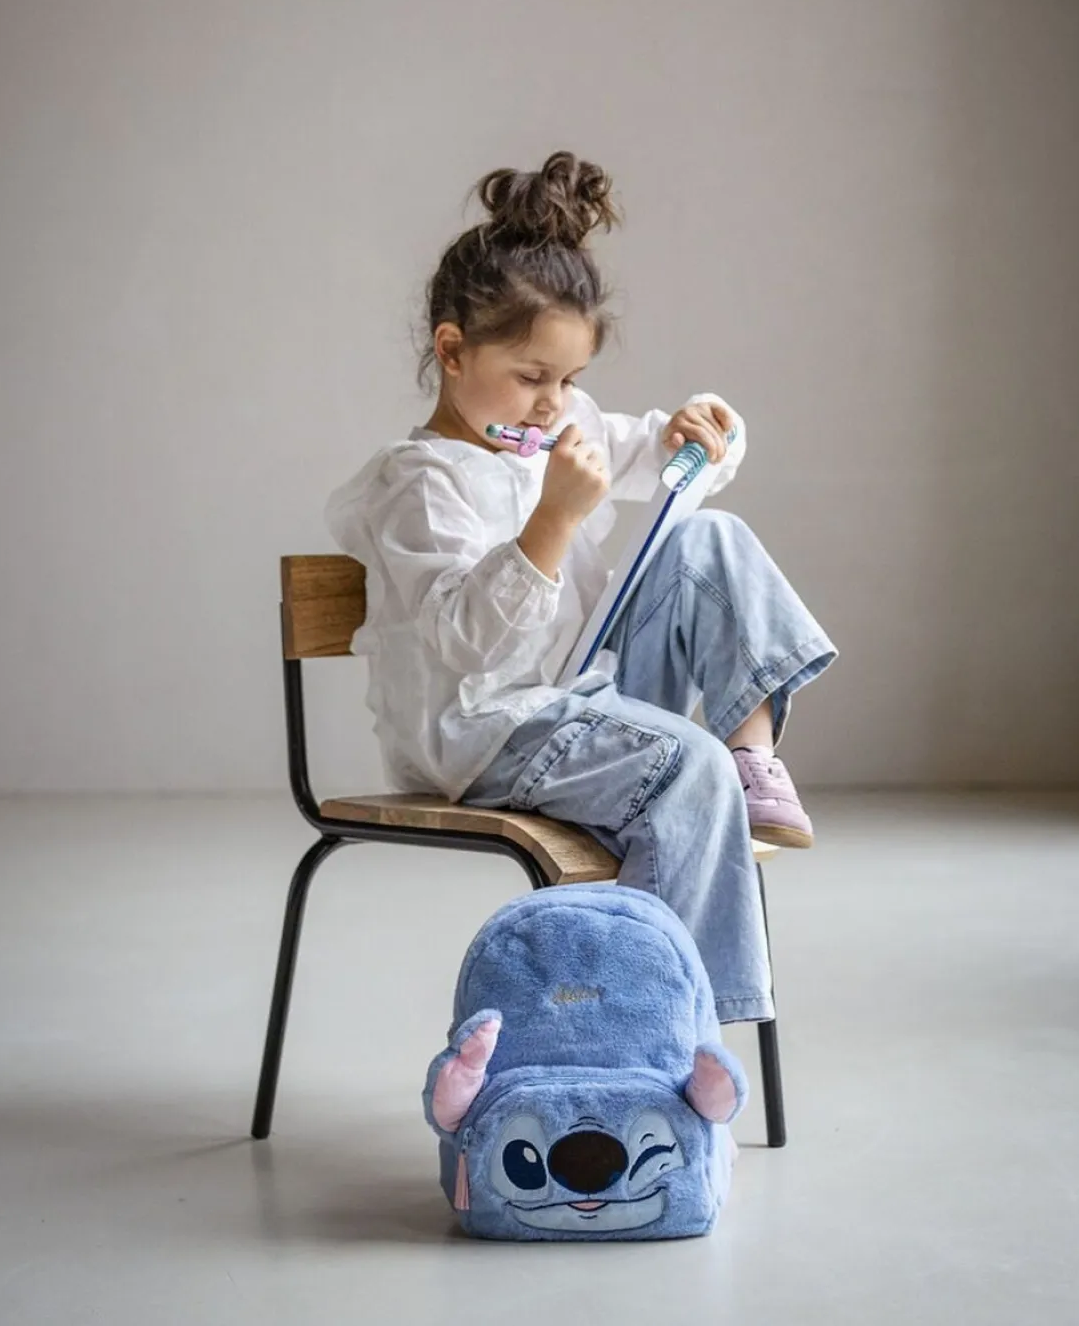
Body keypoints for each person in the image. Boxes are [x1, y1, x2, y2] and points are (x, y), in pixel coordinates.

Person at [326, 151, 837, 1024]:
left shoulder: (567, 424)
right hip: (485, 735)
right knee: (688, 768)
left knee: (707, 535)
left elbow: (676, 464)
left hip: (582, 699)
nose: (551, 404)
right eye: (531, 377)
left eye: (569, 380)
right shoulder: (419, 483)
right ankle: (670, 1032)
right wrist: (551, 522)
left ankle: (753, 758)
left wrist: (704, 430)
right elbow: (464, 644)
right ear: (452, 352)